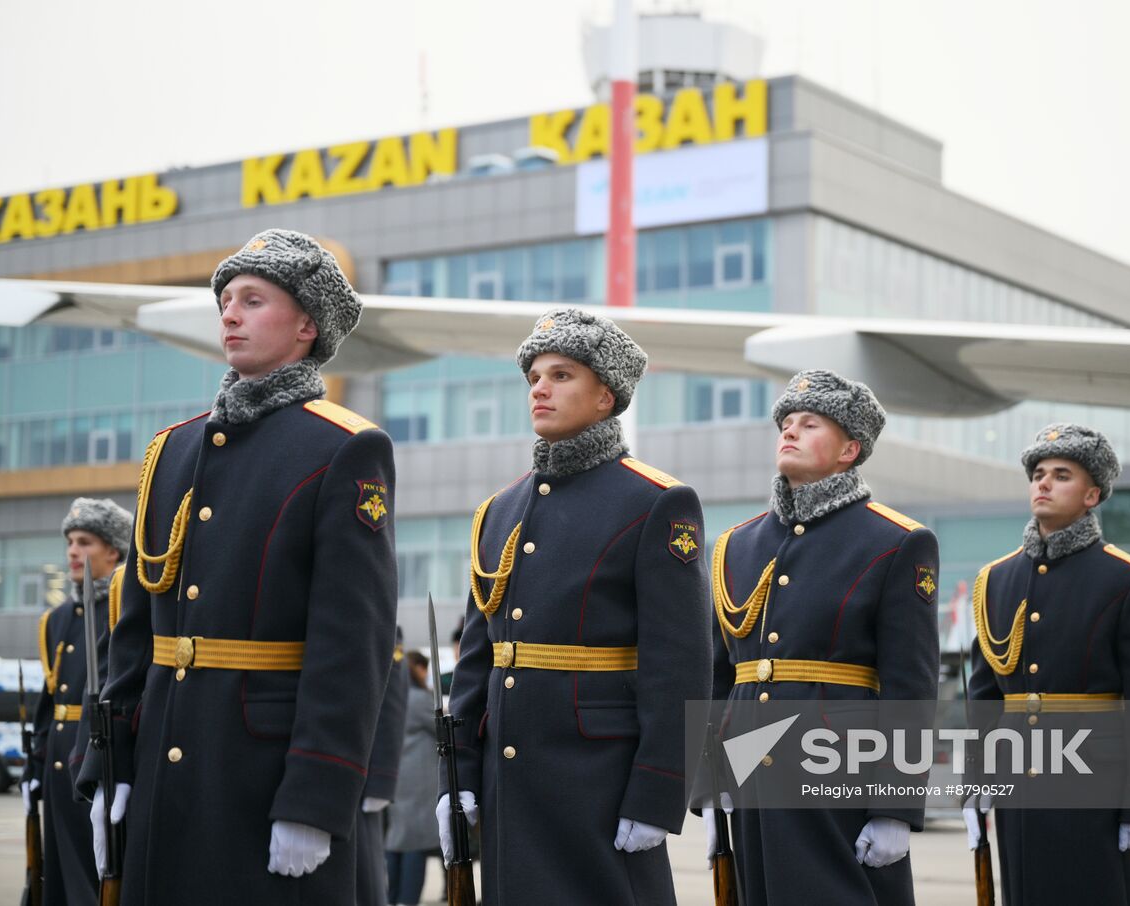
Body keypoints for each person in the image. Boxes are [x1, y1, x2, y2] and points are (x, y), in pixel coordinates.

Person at [75, 229, 398, 904]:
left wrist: (316, 796)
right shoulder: (172, 450)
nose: (229, 313)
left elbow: (352, 644)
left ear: (306, 324)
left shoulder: (344, 449)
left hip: (263, 771)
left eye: (253, 299)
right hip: (165, 769)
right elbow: (133, 632)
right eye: (225, 299)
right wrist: (110, 766)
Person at [440, 307, 713, 905]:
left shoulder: (655, 502)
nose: (539, 387)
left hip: (600, 780)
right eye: (534, 375)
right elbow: (477, 659)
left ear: (605, 395)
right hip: (508, 780)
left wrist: (657, 793)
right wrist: (455, 774)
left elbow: (681, 666)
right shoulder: (499, 511)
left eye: (562, 375)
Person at [704, 370, 940, 905]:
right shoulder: (737, 545)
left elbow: (911, 685)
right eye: (786, 422)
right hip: (749, 771)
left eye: (809, 424)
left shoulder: (895, 541)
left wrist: (895, 805)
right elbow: (720, 674)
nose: (789, 431)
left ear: (849, 449)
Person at [966, 423, 1130, 904]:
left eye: (1062, 474)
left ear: (1092, 494)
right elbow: (984, 697)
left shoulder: (1127, 579)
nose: (1043, 482)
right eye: (1038, 472)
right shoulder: (995, 579)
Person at [24, 497, 130, 906]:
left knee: (98, 876)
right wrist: (34, 764)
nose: (73, 551)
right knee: (60, 881)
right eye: (69, 541)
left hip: (95, 758)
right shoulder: (57, 619)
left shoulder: (125, 609)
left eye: (84, 541)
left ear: (113, 550)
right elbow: (48, 703)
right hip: (57, 765)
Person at [385, 650, 441, 906]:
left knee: (395, 841)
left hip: (396, 779)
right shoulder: (419, 699)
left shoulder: (393, 697)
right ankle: (407, 900)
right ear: (415, 669)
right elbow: (443, 727)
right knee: (414, 844)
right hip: (418, 782)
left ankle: (392, 897)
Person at [358, 629, 409, 906]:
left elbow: (391, 703)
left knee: (365, 881)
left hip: (359, 773)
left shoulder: (386, 630)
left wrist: (382, 778)